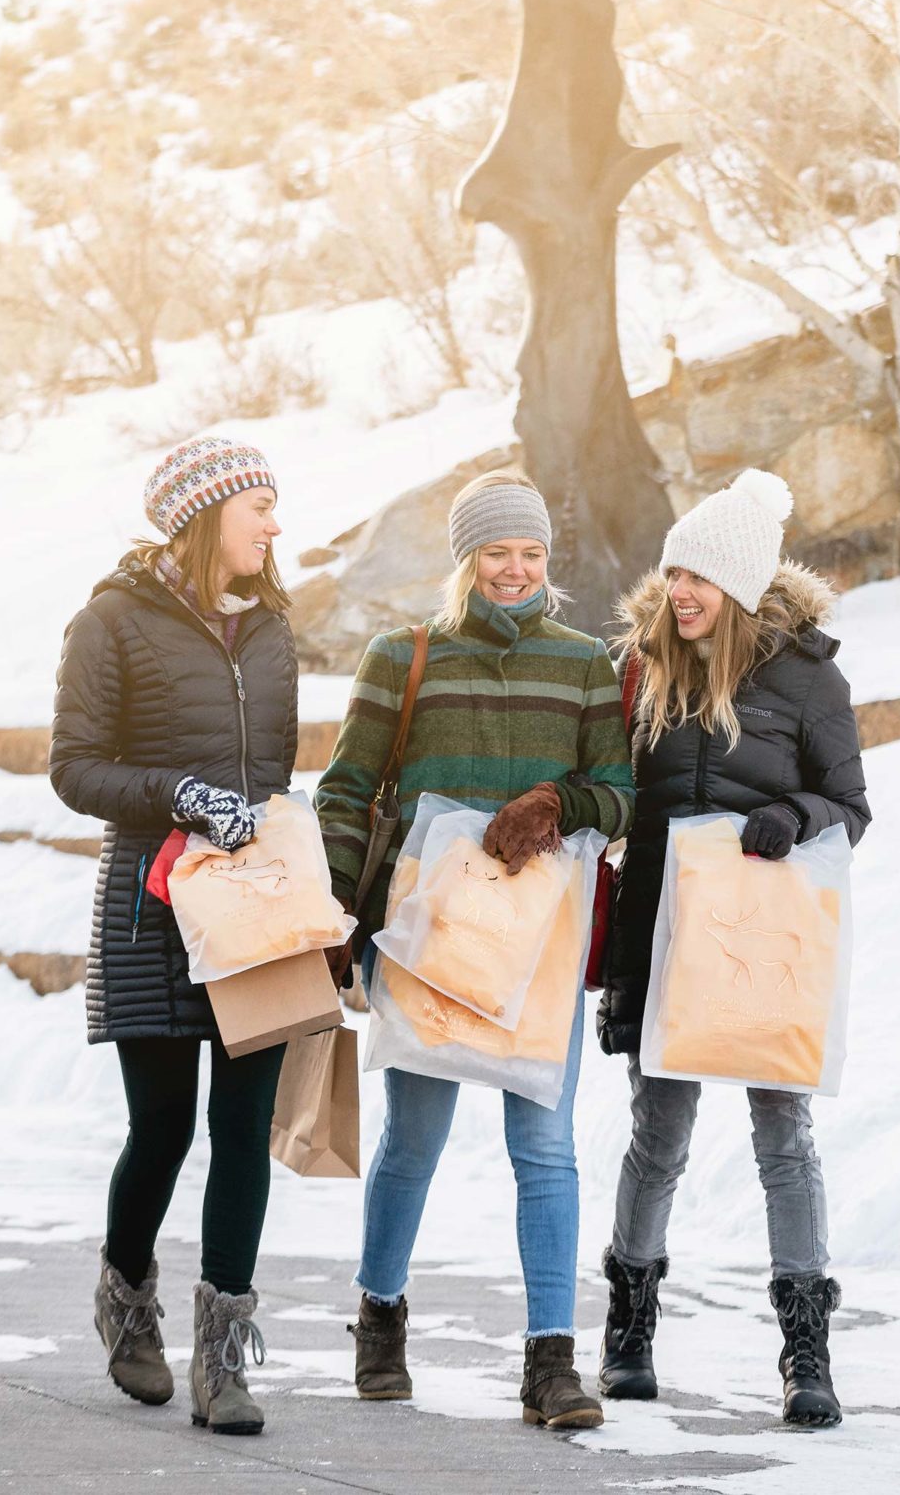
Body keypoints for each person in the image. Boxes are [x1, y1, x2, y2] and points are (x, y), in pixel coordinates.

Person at [313, 471, 633, 1431]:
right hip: (424, 939)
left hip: (538, 938)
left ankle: (550, 1363)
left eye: (531, 553)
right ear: (466, 559)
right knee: (413, 1139)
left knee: (544, 1145)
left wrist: (558, 804)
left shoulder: (583, 663)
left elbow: (622, 792)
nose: (515, 570)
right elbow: (343, 791)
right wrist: (335, 908)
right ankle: (379, 1317)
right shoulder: (402, 658)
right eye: (497, 552)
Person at [595, 469, 870, 1429]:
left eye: (700, 578)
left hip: (765, 946)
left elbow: (852, 807)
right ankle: (627, 1335)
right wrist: (621, 972)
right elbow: (625, 818)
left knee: (783, 1142)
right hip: (665, 939)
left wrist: (793, 815)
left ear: (744, 588)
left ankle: (806, 1352)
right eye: (674, 573)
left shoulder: (808, 678)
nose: (680, 593)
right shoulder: (643, 667)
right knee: (657, 1140)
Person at [50, 435, 301, 1435]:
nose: (277, 528)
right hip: (151, 906)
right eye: (260, 511)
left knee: (243, 1130)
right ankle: (128, 1304)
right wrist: (177, 796)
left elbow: (276, 772)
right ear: (205, 518)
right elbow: (74, 769)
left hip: (251, 907)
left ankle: (225, 1365)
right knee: (162, 1128)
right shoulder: (109, 622)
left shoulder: (277, 628)